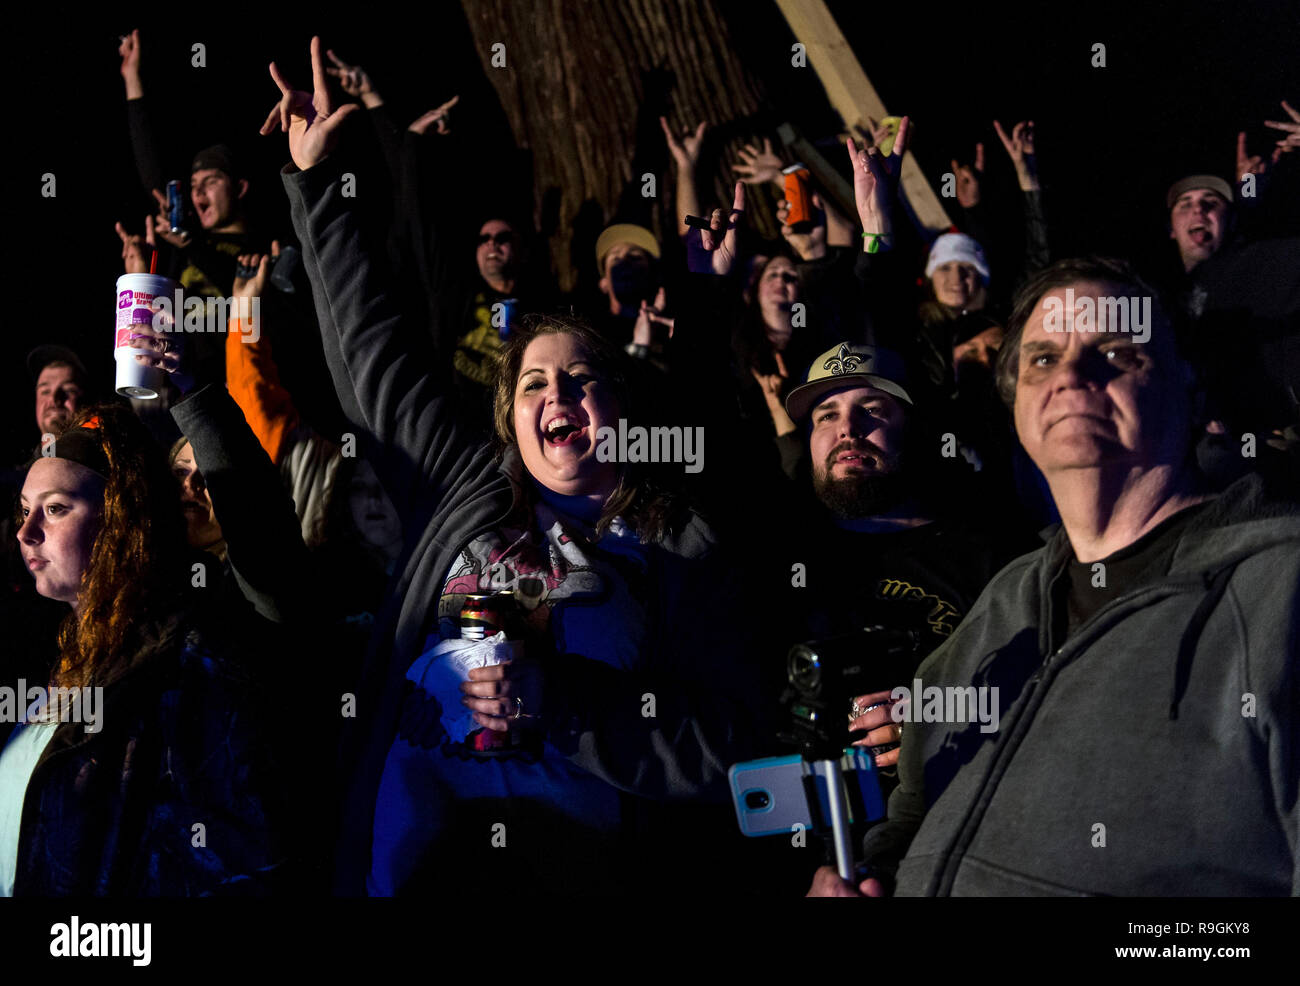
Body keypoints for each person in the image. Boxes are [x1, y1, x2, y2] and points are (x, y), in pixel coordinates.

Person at [262, 37, 760, 896]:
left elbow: (733, 741)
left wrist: (564, 704)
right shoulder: (464, 488)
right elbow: (370, 352)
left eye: (580, 378)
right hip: (406, 865)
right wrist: (315, 186)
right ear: (510, 416)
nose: (554, 394)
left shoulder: (680, 542)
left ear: (620, 406)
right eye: (532, 382)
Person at [809, 256, 1300, 896]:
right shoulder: (1002, 607)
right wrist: (872, 879)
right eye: (1042, 359)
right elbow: (914, 808)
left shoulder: (1278, 592)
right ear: (1016, 403)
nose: (1070, 375)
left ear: (1189, 385)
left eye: (1116, 352)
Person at [5, 404, 280, 895]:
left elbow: (227, 866)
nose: (27, 532)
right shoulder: (57, 650)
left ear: (121, 520)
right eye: (25, 509)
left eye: (56, 508)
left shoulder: (187, 666)